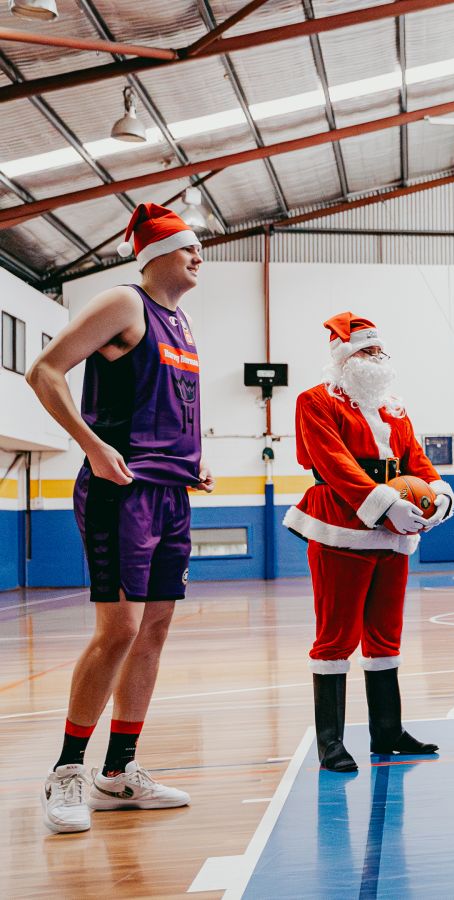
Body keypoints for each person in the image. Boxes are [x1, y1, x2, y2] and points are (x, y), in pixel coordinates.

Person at [27, 203, 212, 834]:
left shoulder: (180, 322)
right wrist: (90, 444)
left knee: (154, 629)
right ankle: (67, 771)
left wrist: (194, 459)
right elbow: (44, 370)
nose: (198, 254)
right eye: (188, 246)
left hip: (170, 491)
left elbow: (168, 405)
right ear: (156, 253)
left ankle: (118, 772)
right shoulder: (122, 302)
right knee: (119, 630)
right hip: (119, 490)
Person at [283, 312, 454, 771]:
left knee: (385, 634)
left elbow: (416, 459)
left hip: (392, 532)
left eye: (379, 350)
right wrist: (383, 502)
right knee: (336, 636)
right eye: (364, 350)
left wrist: (437, 493)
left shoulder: (393, 406)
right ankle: (331, 743)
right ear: (342, 357)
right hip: (340, 523)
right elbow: (334, 464)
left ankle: (388, 731)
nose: (374, 358)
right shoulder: (315, 400)